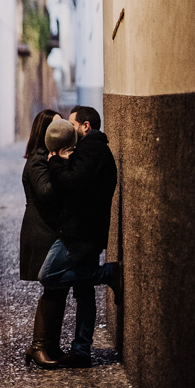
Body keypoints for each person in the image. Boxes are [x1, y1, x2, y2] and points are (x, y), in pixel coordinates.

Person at [38, 105, 122, 368]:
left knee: (48, 276)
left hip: (80, 233)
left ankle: (107, 274)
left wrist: (54, 161)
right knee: (84, 293)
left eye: (72, 124)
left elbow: (73, 183)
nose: (68, 130)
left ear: (86, 126)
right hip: (88, 230)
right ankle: (82, 350)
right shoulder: (88, 150)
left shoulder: (93, 149)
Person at [20, 109, 68, 369]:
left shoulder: (45, 157)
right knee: (52, 287)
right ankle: (38, 346)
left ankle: (51, 344)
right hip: (41, 230)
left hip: (48, 228)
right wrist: (57, 163)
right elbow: (47, 192)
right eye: (57, 127)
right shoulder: (39, 159)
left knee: (58, 288)